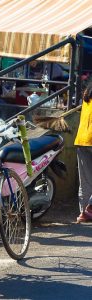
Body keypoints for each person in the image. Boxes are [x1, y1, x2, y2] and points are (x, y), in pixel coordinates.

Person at [74, 82, 92, 223]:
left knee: (85, 180)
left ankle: (83, 213)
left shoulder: (86, 97)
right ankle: (90, 208)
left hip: (81, 140)